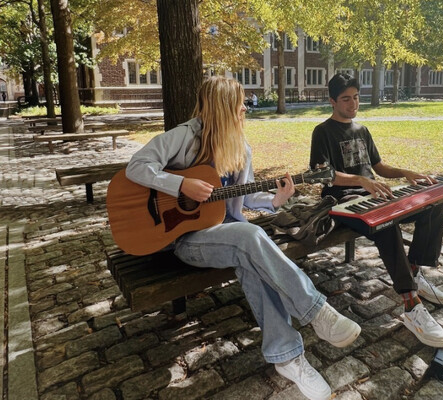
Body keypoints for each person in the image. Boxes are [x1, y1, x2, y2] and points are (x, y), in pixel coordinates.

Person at [126, 76, 360, 400]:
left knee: (248, 251)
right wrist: (180, 186)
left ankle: (289, 358)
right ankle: (315, 311)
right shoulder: (184, 137)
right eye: (238, 105)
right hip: (185, 239)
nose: (243, 110)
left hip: (231, 235)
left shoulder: (241, 147)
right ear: (223, 107)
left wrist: (276, 201)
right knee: (248, 238)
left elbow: (246, 198)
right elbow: (136, 167)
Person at [309, 73, 443, 349]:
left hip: (374, 194)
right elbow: (321, 176)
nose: (353, 104)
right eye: (346, 99)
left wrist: (405, 173)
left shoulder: (361, 130)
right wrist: (361, 181)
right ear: (332, 101)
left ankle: (413, 273)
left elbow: (379, 168)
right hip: (343, 201)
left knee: (432, 208)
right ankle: (411, 305)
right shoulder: (322, 132)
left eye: (356, 97)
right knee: (386, 224)